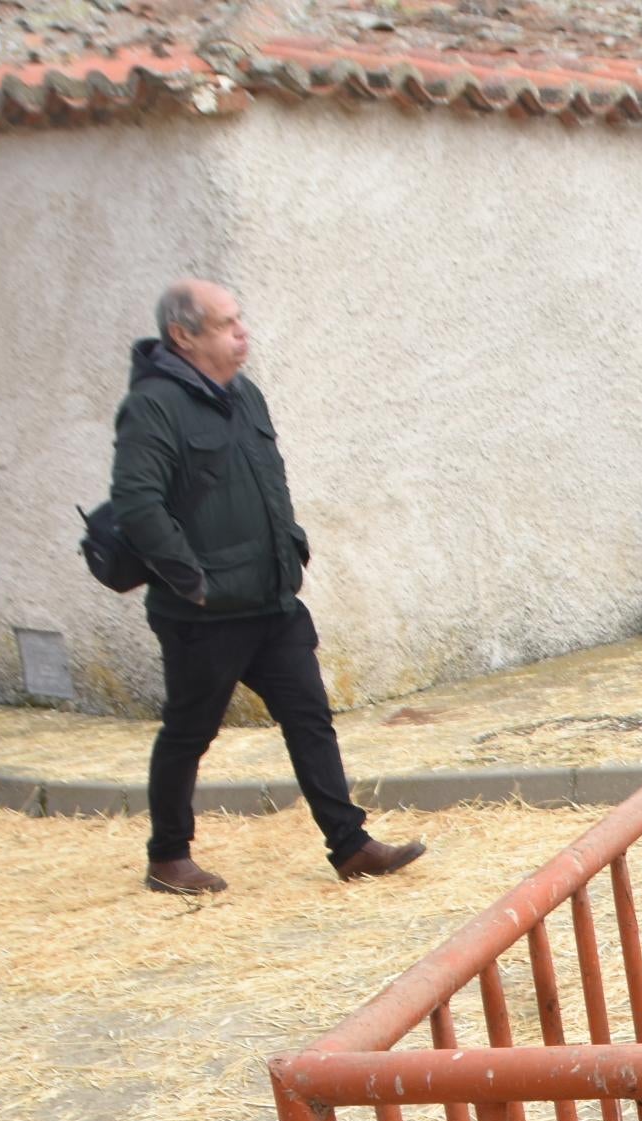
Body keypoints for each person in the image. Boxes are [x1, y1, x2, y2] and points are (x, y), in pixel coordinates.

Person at [110, 279, 424, 895]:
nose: (242, 331)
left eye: (239, 320)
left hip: (271, 601)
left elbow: (268, 482)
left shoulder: (246, 396)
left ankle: (351, 845)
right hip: (202, 616)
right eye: (226, 323)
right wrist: (191, 582)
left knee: (310, 718)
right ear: (184, 336)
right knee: (188, 732)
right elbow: (137, 503)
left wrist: (293, 543)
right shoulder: (152, 406)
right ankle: (168, 858)